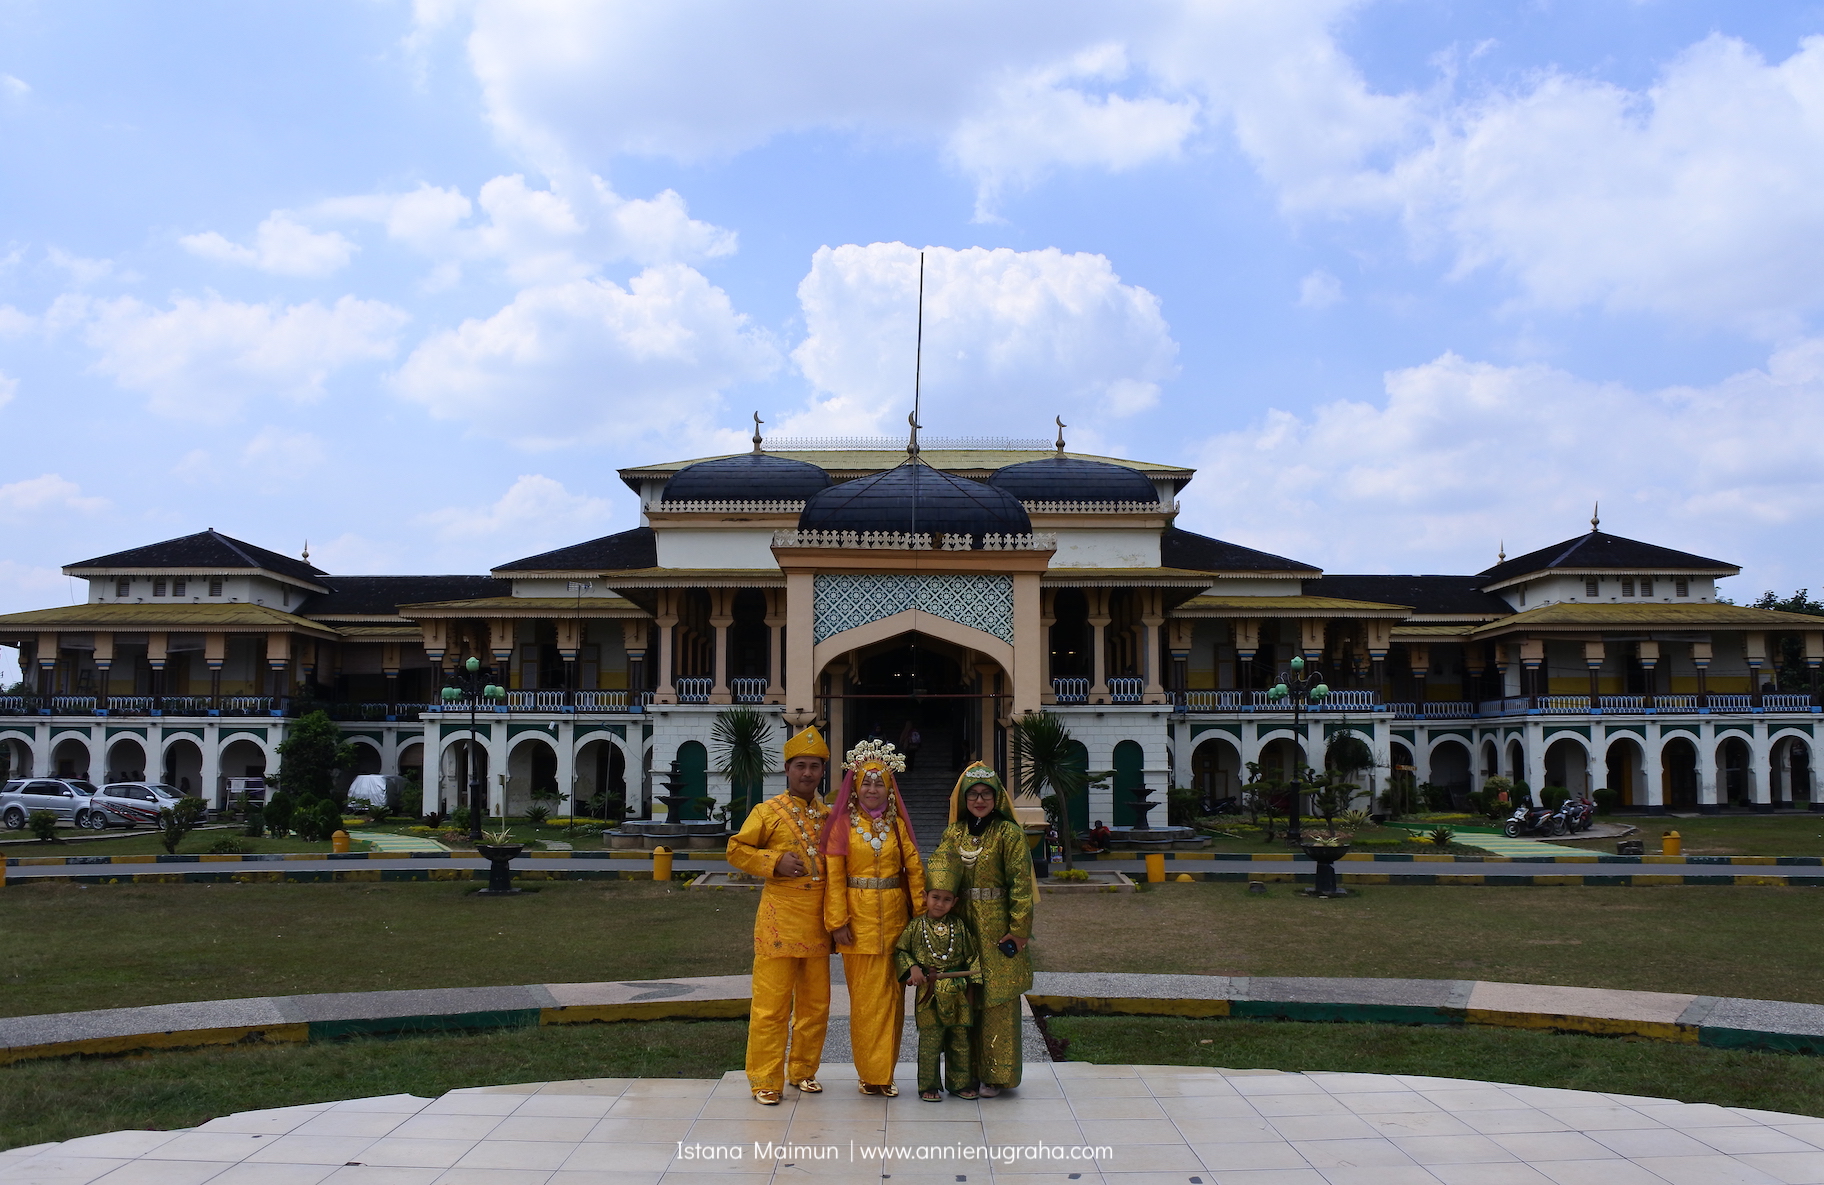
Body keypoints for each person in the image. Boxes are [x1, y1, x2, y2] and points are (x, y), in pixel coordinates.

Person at [727, 725, 833, 1105]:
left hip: (819, 924)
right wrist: (773, 861)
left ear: (824, 771)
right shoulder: (766, 812)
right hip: (778, 923)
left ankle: (803, 1071)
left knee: (815, 1005)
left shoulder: (830, 817)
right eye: (801, 766)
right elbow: (736, 850)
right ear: (787, 769)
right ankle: (764, 1079)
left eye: (815, 767)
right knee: (771, 1006)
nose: (808, 773)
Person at [820, 739, 926, 1097]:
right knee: (865, 1002)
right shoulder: (842, 826)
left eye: (879, 782)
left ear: (889, 787)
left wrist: (921, 917)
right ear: (855, 785)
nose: (872, 788)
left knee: (894, 1002)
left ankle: (887, 1072)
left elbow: (913, 869)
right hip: (858, 924)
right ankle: (870, 1074)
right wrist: (837, 921)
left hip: (896, 922)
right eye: (866, 781)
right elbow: (835, 876)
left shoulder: (897, 826)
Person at [933, 762, 1035, 1096]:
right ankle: (965, 1075)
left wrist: (1018, 932)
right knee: (965, 996)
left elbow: (1020, 885)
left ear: (996, 798)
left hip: (997, 925)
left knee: (997, 1000)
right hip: (962, 924)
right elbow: (941, 877)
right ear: (964, 798)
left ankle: (998, 1074)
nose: (979, 799)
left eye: (986, 794)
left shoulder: (1009, 833)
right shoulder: (954, 832)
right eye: (973, 794)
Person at [895, 862, 981, 1102]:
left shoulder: (960, 927)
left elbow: (973, 957)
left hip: (957, 992)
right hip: (929, 993)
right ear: (925, 896)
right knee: (930, 1042)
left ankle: (960, 1083)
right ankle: (928, 1085)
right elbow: (901, 951)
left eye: (946, 899)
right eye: (935, 897)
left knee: (960, 1040)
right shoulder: (915, 927)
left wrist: (972, 986)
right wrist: (913, 967)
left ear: (954, 902)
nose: (939, 903)